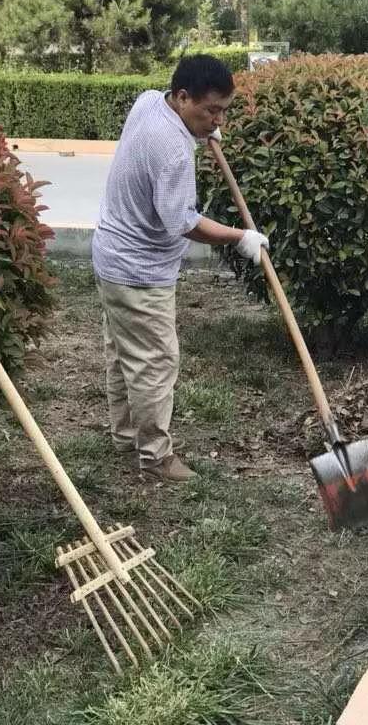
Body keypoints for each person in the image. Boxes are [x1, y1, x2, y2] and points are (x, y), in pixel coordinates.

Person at [92, 54, 269, 483]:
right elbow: (183, 222)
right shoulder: (172, 149)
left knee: (124, 354)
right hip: (139, 272)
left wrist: (201, 128)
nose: (218, 120)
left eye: (223, 110)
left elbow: (177, 127)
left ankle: (126, 435)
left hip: (111, 256)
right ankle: (155, 457)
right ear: (184, 97)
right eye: (211, 110)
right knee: (155, 362)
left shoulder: (150, 101)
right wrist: (239, 236)